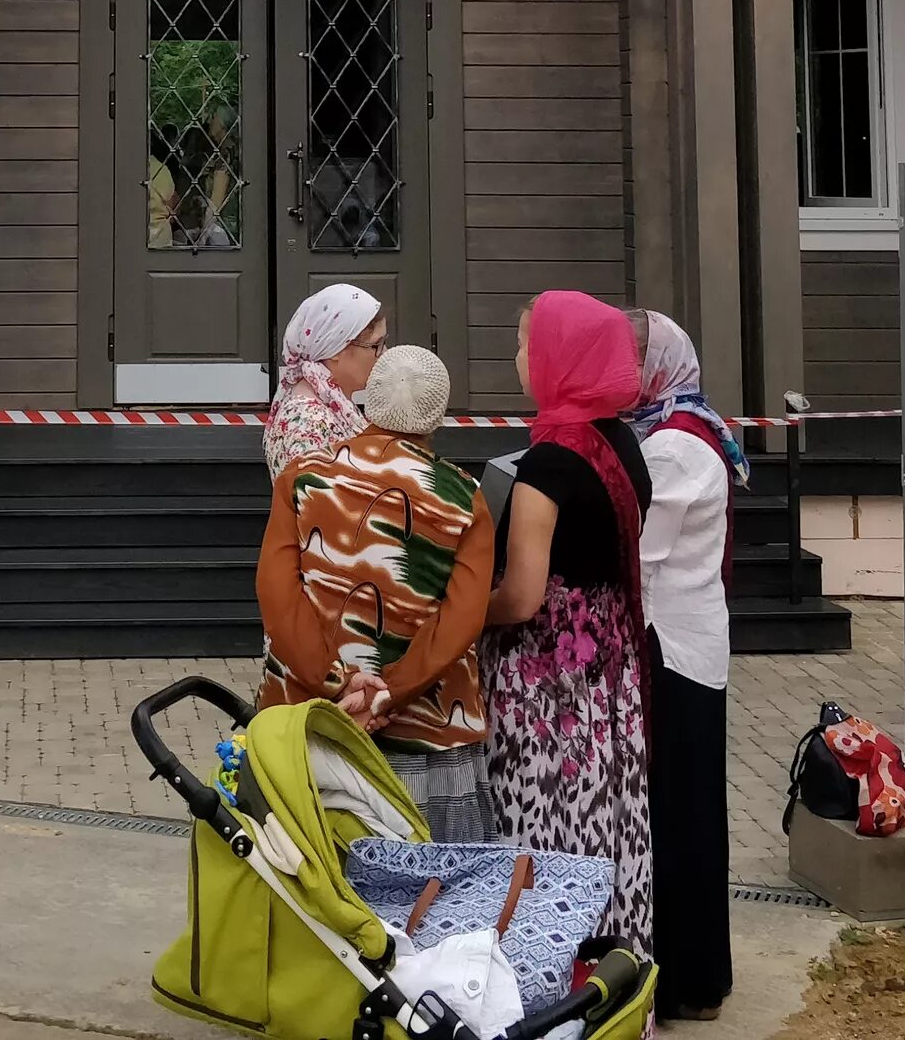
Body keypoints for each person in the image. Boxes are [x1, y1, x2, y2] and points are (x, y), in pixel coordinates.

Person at [257, 343, 495, 839]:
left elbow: (278, 598)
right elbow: (460, 622)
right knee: (427, 899)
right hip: (426, 734)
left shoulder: (303, 477)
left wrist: (336, 683)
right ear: (438, 416)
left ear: (368, 403)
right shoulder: (463, 496)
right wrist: (387, 693)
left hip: (309, 726)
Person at [481, 291, 651, 942]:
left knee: (546, 827)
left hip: (545, 688)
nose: (518, 357)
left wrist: (462, 620)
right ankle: (607, 975)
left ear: (560, 357)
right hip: (610, 677)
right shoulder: (622, 444)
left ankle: (543, 979)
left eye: (526, 343)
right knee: (604, 823)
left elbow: (523, 596)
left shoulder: (549, 463)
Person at [628, 311, 743, 1021]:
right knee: (691, 813)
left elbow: (640, 557)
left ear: (658, 367)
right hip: (693, 644)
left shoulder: (671, 446)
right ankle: (699, 975)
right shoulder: (683, 428)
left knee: (677, 818)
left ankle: (686, 981)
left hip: (673, 649)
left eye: (629, 358)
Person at [263, 282, 386, 479]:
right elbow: (313, 504)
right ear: (337, 349)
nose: (383, 354)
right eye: (376, 345)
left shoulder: (329, 399)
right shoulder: (309, 421)